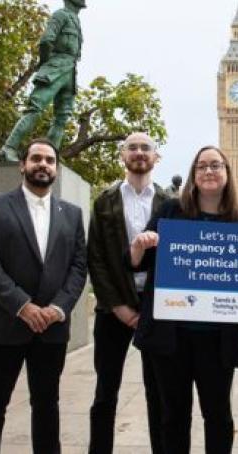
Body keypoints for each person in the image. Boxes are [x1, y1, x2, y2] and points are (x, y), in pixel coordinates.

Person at [130, 145, 238, 454]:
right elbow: (136, 263)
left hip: (218, 340)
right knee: (173, 416)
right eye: (202, 166)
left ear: (227, 173)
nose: (209, 171)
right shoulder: (171, 213)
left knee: (218, 416)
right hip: (171, 339)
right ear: (193, 175)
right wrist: (140, 244)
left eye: (216, 165)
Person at [0, 138, 87, 454]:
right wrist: (22, 305)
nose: (43, 164)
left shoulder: (72, 214)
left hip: (51, 328)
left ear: (57, 169)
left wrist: (58, 308)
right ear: (23, 165)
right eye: (36, 158)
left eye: (50, 160)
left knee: (47, 405)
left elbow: (79, 266)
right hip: (4, 325)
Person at [87, 133, 168, 453]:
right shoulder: (104, 201)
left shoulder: (171, 203)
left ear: (155, 157)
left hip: (156, 310)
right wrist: (117, 306)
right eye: (132, 148)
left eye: (145, 148)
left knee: (158, 393)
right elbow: (96, 258)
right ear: (122, 155)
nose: (138, 153)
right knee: (105, 392)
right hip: (113, 310)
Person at [0, 0, 86, 161]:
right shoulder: (60, 15)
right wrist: (46, 64)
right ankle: (8, 148)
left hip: (70, 71)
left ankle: (51, 154)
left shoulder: (76, 20)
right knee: (35, 108)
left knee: (62, 117)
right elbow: (46, 40)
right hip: (55, 67)